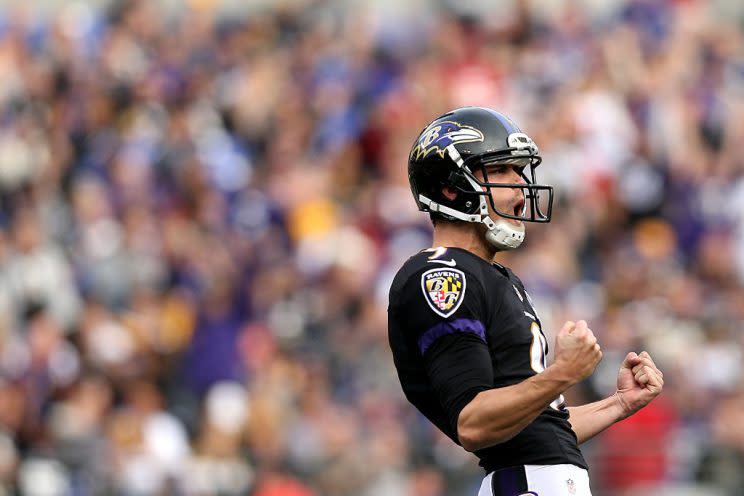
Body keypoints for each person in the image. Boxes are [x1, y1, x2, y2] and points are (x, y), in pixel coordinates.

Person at [387, 107, 664, 496]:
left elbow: (539, 431)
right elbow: (474, 423)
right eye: (502, 170)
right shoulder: (443, 275)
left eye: (519, 170)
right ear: (451, 187)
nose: (520, 185)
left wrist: (618, 404)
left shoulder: (494, 276)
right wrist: (563, 373)